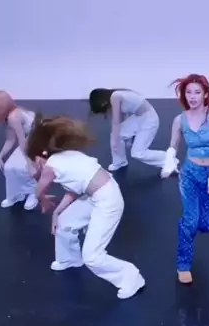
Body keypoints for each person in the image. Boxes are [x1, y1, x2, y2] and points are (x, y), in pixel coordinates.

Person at [26, 114, 145, 300]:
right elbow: (75, 190)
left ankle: (131, 278)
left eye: (32, 163)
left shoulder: (50, 165)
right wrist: (56, 212)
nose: (32, 168)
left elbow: (39, 188)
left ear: (39, 157)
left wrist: (42, 199)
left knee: (93, 257)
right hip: (96, 195)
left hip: (108, 200)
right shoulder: (65, 158)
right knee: (64, 221)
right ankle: (69, 259)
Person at [160, 74, 209, 284]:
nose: (192, 96)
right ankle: (183, 265)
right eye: (188, 92)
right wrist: (168, 162)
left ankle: (190, 227)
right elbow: (173, 145)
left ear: (205, 94)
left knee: (207, 224)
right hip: (190, 173)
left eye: (197, 92)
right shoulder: (179, 120)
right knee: (190, 221)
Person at [88, 87, 176, 173]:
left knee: (137, 153)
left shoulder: (115, 97)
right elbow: (124, 117)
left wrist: (115, 142)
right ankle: (119, 162)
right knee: (116, 135)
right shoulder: (116, 96)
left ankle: (168, 159)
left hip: (149, 119)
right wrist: (129, 138)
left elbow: (116, 122)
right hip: (138, 118)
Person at [0, 90, 38, 210]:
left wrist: (30, 163)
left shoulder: (14, 117)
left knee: (22, 167)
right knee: (9, 167)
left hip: (39, 140)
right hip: (30, 139)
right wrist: (0, 156)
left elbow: (22, 141)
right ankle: (15, 194)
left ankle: (33, 192)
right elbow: (10, 140)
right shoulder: (8, 118)